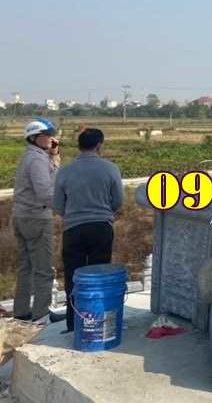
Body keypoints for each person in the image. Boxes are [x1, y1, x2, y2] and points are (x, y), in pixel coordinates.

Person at [53, 127, 124, 333]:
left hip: (73, 229)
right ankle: (96, 324)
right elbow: (118, 200)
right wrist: (104, 211)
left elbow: (57, 205)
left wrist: (72, 215)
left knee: (73, 277)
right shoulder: (110, 168)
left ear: (79, 145)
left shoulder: (65, 171)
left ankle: (73, 324)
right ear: (99, 145)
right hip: (101, 228)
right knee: (98, 277)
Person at [12, 118, 61, 323]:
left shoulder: (31, 156)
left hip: (21, 216)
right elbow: (46, 192)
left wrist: (54, 155)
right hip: (36, 218)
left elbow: (51, 179)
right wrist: (63, 209)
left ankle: (21, 311)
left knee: (26, 267)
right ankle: (41, 314)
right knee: (43, 270)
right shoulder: (38, 159)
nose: (51, 138)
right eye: (47, 135)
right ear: (34, 138)